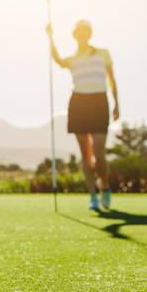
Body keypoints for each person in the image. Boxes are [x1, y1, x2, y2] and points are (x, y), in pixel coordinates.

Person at [46, 19, 120, 211]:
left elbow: (112, 79)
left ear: (89, 33)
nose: (82, 34)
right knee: (85, 156)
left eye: (85, 31)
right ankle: (93, 196)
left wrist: (116, 103)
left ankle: (104, 187)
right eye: (78, 31)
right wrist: (50, 37)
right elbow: (58, 60)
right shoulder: (72, 58)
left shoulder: (103, 53)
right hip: (79, 102)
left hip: (99, 102)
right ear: (74, 35)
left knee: (99, 153)